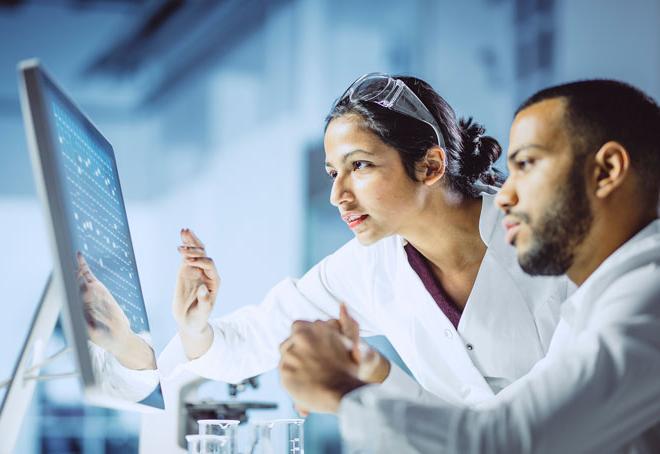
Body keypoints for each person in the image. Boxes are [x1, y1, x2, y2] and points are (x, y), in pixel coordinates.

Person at [278, 79, 660, 453]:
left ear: (607, 170)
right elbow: (490, 423)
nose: (506, 194)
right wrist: (371, 373)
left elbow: (503, 442)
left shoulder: (649, 297)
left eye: (527, 164)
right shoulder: (603, 298)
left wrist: (341, 393)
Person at [158, 73, 569, 406]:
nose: (339, 196)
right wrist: (195, 327)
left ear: (430, 165)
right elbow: (258, 336)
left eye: (360, 165)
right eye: (334, 173)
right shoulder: (370, 265)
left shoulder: (550, 238)